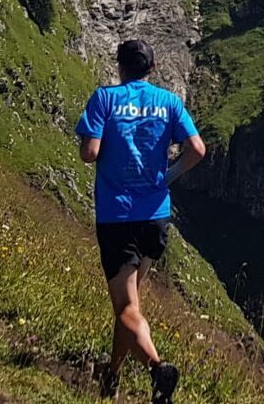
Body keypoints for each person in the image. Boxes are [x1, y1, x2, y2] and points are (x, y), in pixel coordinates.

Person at [76, 38, 207, 401]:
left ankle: (157, 368)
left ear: (120, 66)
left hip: (118, 216)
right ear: (152, 69)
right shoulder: (169, 102)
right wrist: (166, 176)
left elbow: (90, 153)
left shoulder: (105, 98)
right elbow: (197, 150)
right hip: (155, 216)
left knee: (127, 307)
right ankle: (112, 374)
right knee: (131, 304)